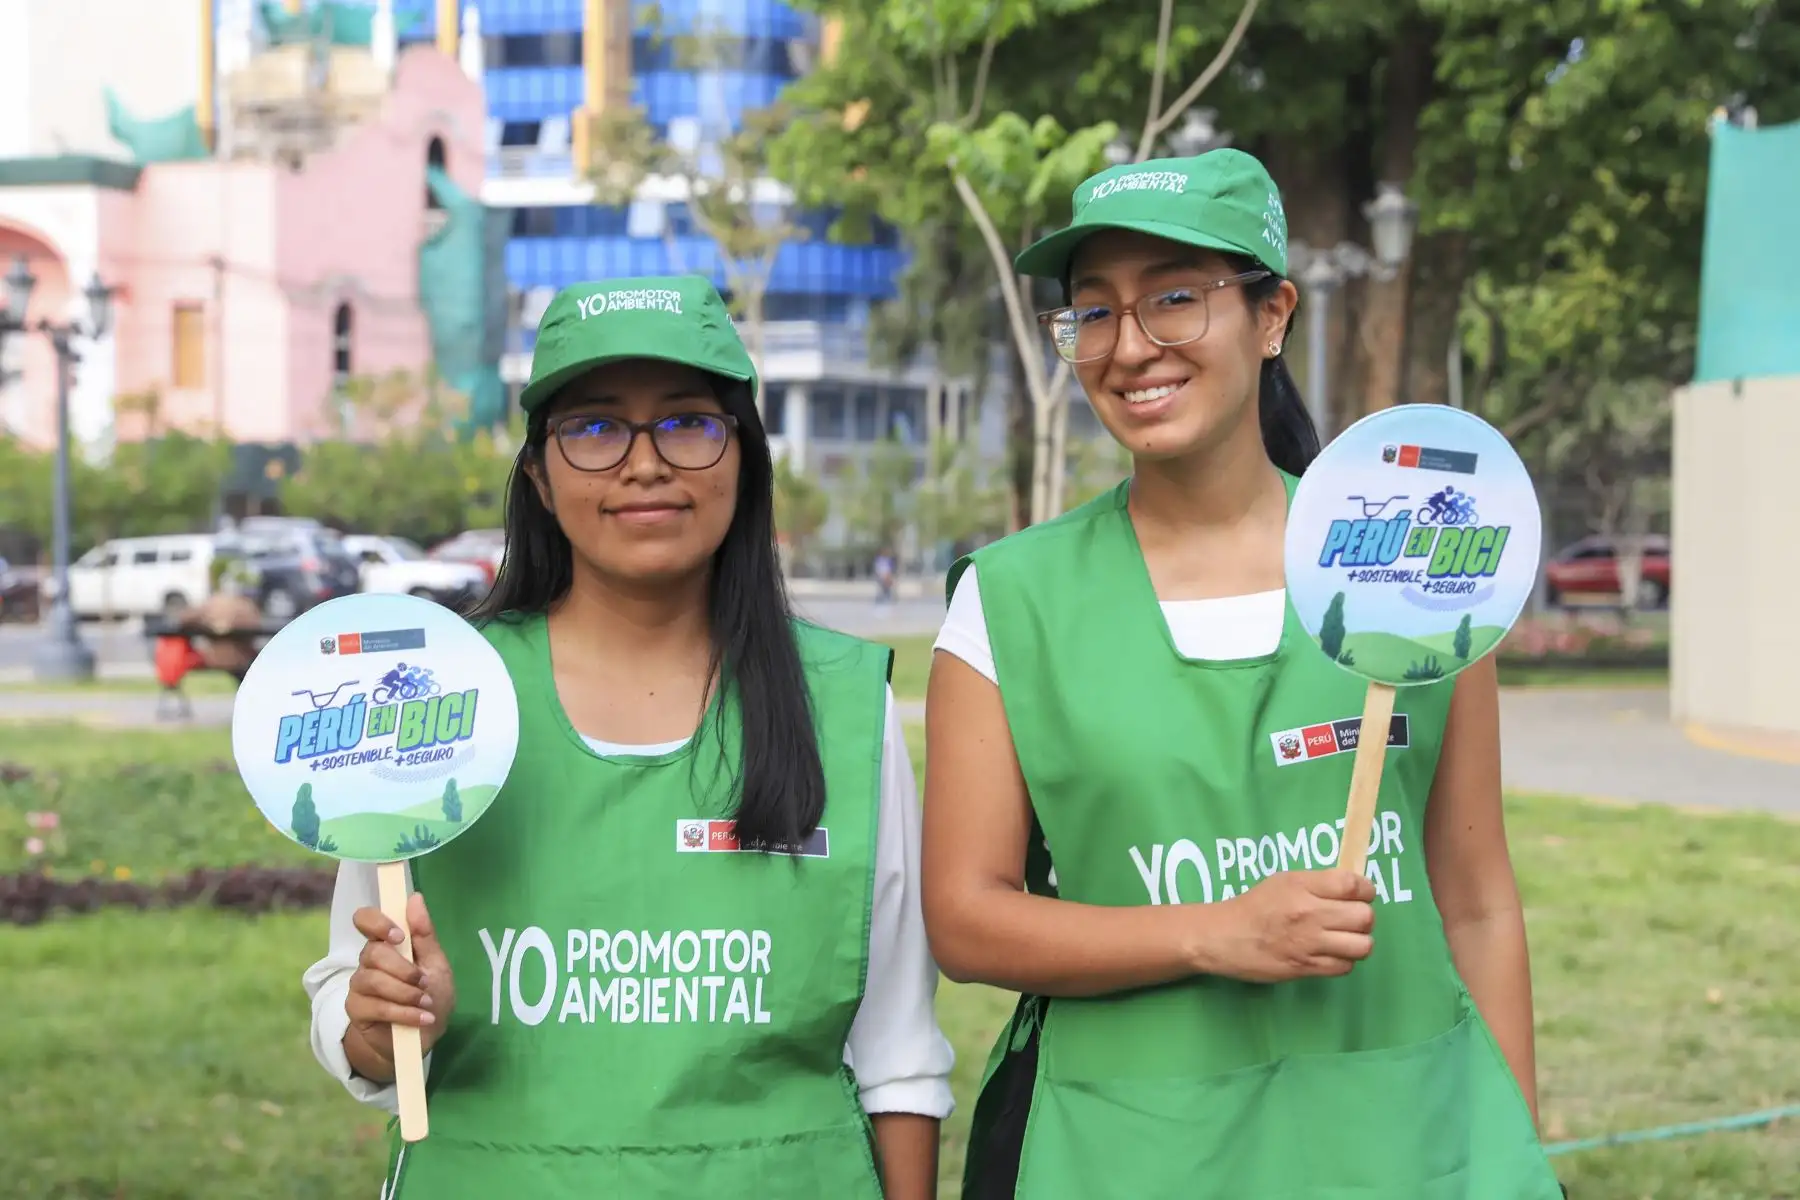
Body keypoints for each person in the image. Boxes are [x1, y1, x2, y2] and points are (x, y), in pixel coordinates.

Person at [920, 149, 1563, 1198]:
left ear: (1273, 317)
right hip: (1132, 1155)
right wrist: (1214, 934)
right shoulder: (1009, 600)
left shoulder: (1409, 567)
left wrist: (1510, 1157)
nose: (1131, 347)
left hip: (1404, 1148)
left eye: (1175, 299)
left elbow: (1479, 903)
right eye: (1095, 312)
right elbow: (965, 918)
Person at [302, 274, 954, 1198]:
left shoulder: (842, 704)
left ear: (744, 455)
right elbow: (350, 993)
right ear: (539, 473)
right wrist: (379, 1026)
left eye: (687, 423)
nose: (645, 464)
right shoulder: (434, 696)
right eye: (596, 428)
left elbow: (899, 1052)